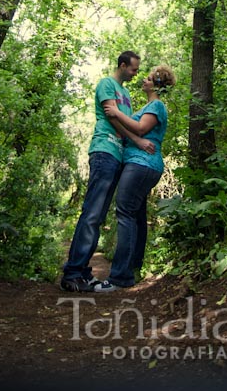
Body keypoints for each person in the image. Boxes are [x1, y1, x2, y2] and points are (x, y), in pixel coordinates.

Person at [60, 50, 154, 293]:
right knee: (91, 214)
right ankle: (72, 272)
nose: (135, 74)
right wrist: (138, 140)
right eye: (133, 69)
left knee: (99, 217)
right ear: (122, 65)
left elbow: (126, 118)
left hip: (118, 156)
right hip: (104, 151)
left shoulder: (125, 94)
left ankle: (82, 272)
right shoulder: (107, 84)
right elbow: (114, 119)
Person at [92, 64, 176, 291]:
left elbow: (139, 128)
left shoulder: (157, 105)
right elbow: (136, 132)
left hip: (142, 164)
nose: (143, 81)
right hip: (139, 164)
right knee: (135, 215)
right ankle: (132, 269)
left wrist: (117, 112)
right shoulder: (150, 105)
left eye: (148, 78)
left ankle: (120, 277)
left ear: (156, 84)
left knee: (125, 213)